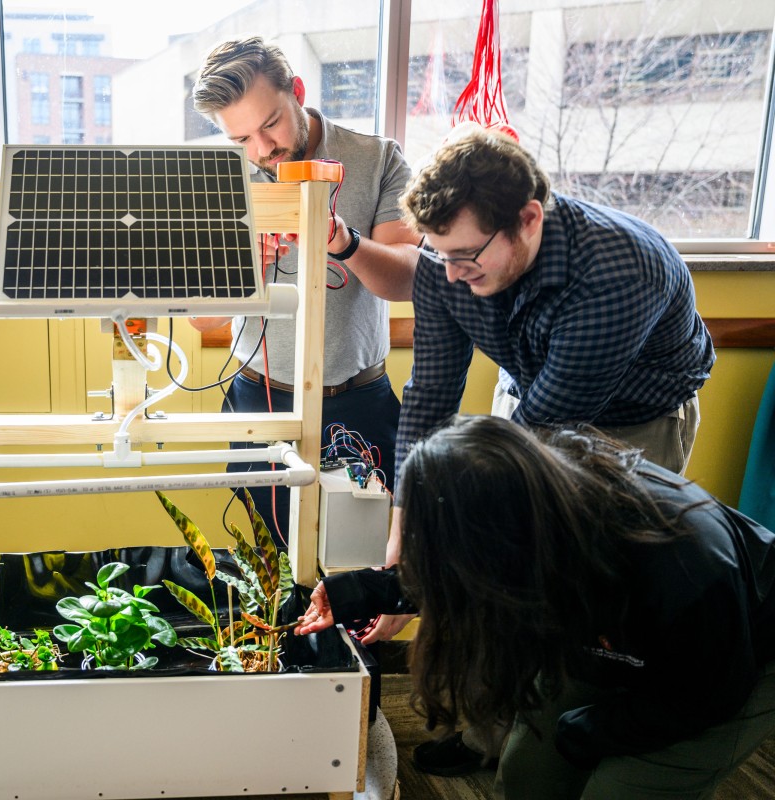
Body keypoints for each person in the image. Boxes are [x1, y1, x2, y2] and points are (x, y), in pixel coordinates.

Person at [364, 124, 716, 775]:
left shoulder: (617, 267)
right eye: (436, 253)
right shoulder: (449, 260)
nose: (450, 274)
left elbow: (547, 436)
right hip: (532, 389)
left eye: (467, 256)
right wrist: (404, 521)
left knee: (577, 579)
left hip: (632, 423)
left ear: (528, 218)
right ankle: (487, 735)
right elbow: (430, 395)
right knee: (496, 565)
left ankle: (574, 735)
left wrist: (426, 564)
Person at [297, 415, 775, 799]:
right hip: (603, 631)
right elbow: (464, 568)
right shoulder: (523, 514)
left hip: (727, 667)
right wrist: (354, 593)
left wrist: (597, 730)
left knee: (616, 787)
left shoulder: (684, 564)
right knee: (529, 769)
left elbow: (710, 694)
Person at [188, 36, 419, 538]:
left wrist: (344, 242)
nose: (261, 150)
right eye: (241, 139)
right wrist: (241, 269)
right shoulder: (220, 178)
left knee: (361, 561)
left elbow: (407, 277)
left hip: (359, 400)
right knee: (274, 565)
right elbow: (201, 318)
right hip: (258, 400)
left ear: (296, 89)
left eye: (270, 124)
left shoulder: (376, 158)